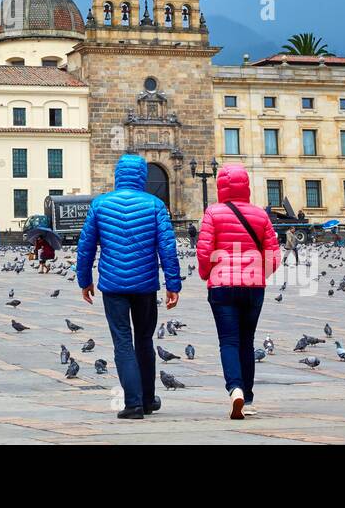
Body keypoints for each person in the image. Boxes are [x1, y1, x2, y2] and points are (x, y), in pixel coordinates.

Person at [76, 154, 181, 421]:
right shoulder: (155, 204)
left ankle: (133, 403)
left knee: (122, 342)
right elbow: (168, 248)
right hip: (145, 284)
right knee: (144, 340)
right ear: (142, 176)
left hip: (112, 284)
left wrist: (84, 279)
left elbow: (86, 245)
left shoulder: (100, 204)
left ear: (117, 175)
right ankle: (147, 400)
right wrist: (173, 283)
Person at [196, 164, 280, 420]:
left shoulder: (213, 212)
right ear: (247, 186)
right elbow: (274, 254)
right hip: (253, 288)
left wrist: (206, 273)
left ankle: (235, 390)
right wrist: (259, 274)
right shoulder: (260, 214)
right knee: (247, 341)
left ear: (221, 185)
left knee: (229, 341)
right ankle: (250, 398)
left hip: (222, 287)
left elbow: (204, 250)